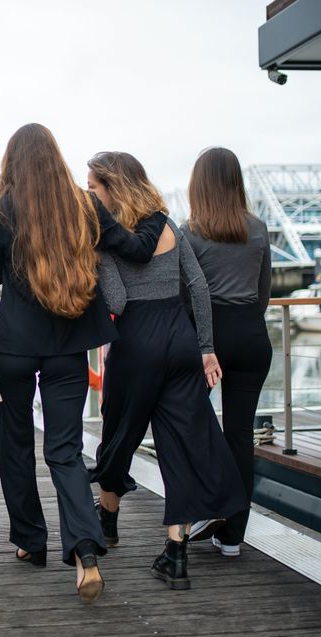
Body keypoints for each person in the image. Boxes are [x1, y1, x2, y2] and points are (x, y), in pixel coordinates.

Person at [0, 124, 166, 604]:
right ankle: (86, 553)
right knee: (64, 451)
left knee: (16, 442)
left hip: (14, 348)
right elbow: (135, 248)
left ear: (11, 163)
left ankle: (31, 541)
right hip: (69, 344)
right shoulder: (86, 207)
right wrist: (158, 217)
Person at [86, 151, 246, 590]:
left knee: (119, 433)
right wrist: (206, 348)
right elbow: (197, 287)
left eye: (93, 186)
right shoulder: (169, 226)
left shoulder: (106, 238)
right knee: (182, 441)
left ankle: (109, 523)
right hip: (181, 341)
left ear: (111, 188)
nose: (88, 192)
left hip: (137, 343)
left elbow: (116, 302)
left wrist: (97, 273)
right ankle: (176, 552)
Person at [182, 147, 272, 558]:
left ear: (199, 185)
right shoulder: (259, 229)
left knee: (193, 427)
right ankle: (233, 537)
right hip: (253, 335)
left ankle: (205, 510)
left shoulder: (190, 232)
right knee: (240, 435)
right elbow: (264, 291)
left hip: (208, 340)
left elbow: (186, 295)